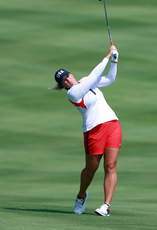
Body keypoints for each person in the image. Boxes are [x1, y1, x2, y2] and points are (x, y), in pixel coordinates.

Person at [53, 45, 121, 217]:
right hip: (94, 130)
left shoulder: (84, 81)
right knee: (92, 168)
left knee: (110, 166)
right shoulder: (73, 93)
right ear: (63, 86)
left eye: (68, 76)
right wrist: (107, 56)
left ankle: (106, 206)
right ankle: (81, 196)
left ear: (71, 74)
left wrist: (114, 60)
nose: (68, 80)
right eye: (64, 81)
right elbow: (94, 76)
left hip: (112, 124)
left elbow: (110, 79)